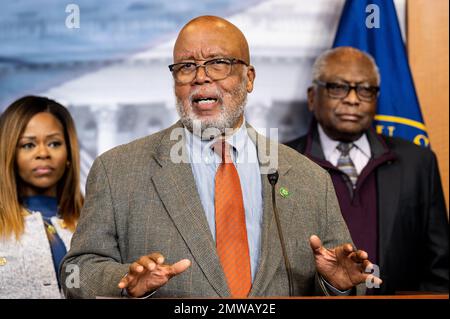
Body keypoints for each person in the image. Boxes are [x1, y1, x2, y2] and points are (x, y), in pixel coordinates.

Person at [60, 16, 381, 299]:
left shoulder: (309, 178)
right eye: (186, 67)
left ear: (249, 78)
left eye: (218, 63)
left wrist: (337, 285)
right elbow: (77, 272)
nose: (201, 77)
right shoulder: (117, 170)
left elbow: (344, 277)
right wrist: (126, 281)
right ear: (175, 83)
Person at [286, 46, 449, 294]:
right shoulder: (282, 163)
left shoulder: (418, 163)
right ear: (312, 97)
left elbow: (440, 267)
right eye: (338, 87)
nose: (352, 99)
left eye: (365, 90)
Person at [0, 95, 84, 298]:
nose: (43, 153)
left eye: (54, 143)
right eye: (28, 145)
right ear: (9, 152)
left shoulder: (95, 222)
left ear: (69, 155)